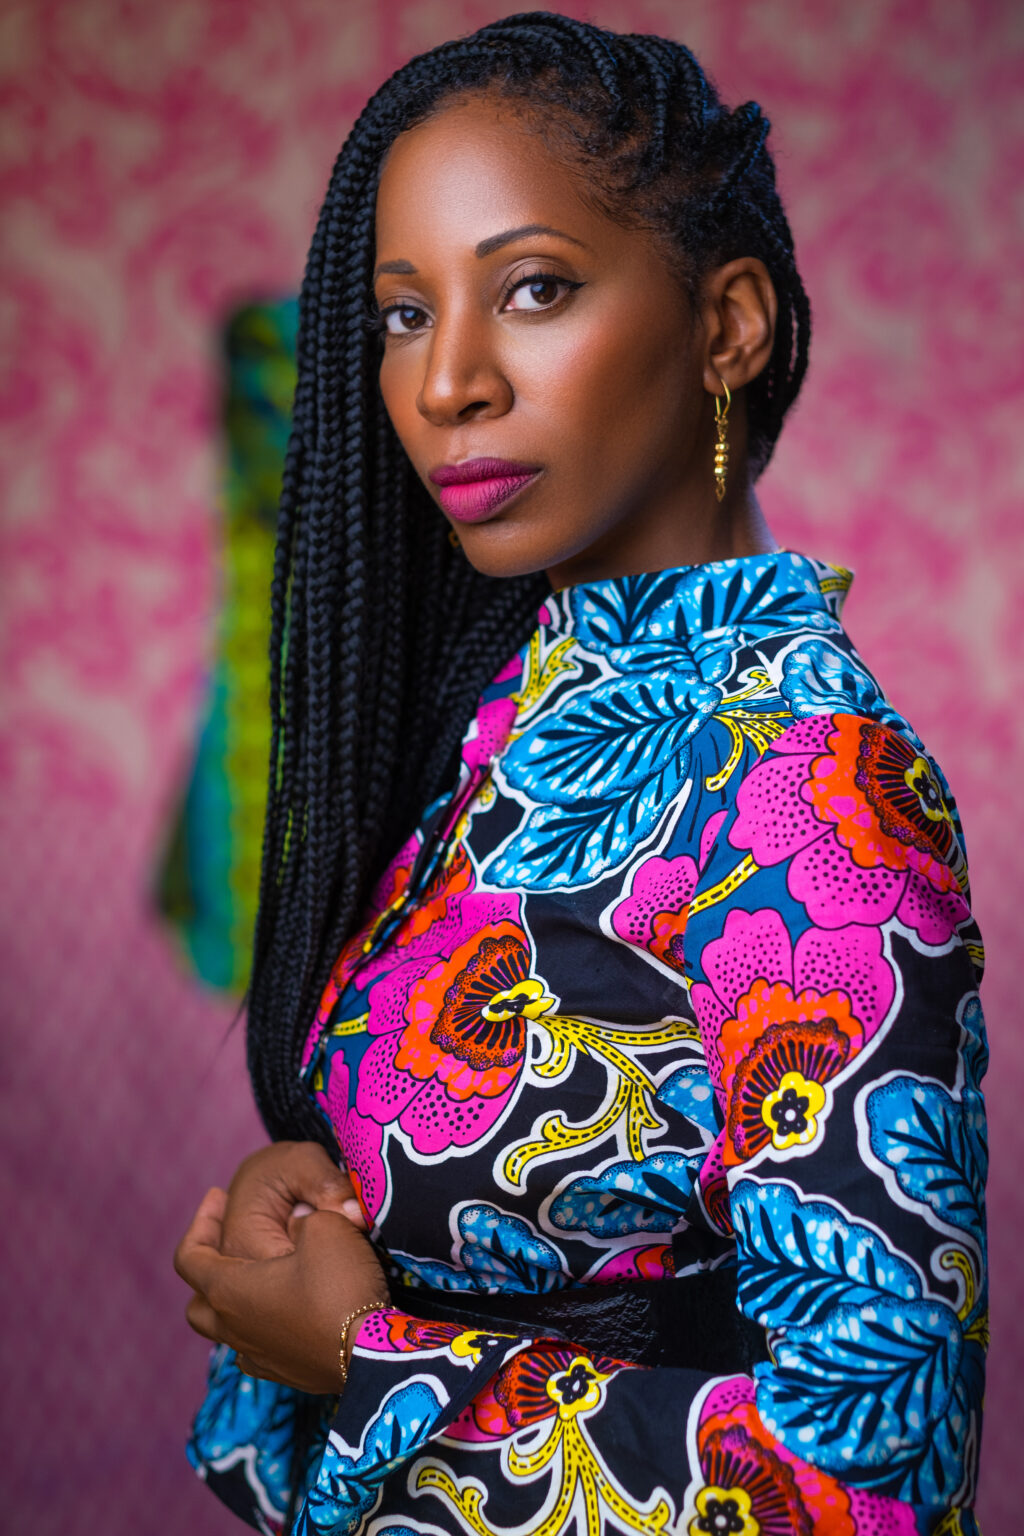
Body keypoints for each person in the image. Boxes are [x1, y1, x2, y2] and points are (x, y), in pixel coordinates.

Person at [174, 14, 988, 1535]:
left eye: (533, 288)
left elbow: (873, 1480)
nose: (447, 382)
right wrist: (334, 1192)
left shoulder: (810, 787)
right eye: (403, 314)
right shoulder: (513, 707)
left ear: (726, 326)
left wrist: (369, 1358)